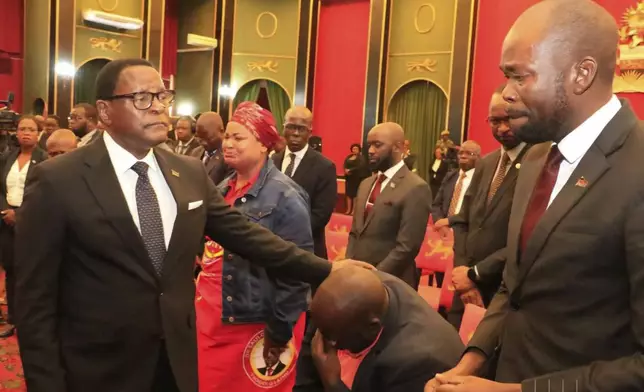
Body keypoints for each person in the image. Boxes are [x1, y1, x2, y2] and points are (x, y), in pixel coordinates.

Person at [13, 58, 370, 392]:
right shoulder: (58, 180)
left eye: (162, 95)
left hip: (176, 362)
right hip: (96, 369)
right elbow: (34, 301)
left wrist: (326, 269)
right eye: (141, 97)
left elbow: (247, 236)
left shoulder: (187, 171)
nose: (157, 106)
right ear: (104, 111)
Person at [428, 1, 644, 391]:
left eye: (519, 77)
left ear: (581, 74)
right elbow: (515, 287)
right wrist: (471, 362)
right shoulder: (536, 160)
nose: (506, 94)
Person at [196, 102, 310, 392]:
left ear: (263, 145)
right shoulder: (221, 189)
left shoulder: (286, 196)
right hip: (211, 320)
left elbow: (297, 272)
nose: (228, 144)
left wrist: (279, 329)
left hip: (255, 324)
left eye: (238, 138)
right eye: (227, 137)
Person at [447, 87, 530, 329]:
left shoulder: (540, 163)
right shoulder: (486, 163)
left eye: (509, 119)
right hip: (464, 290)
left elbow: (528, 237)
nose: (502, 128)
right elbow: (462, 220)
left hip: (504, 290)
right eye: (495, 121)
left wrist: (475, 274)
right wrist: (462, 273)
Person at [305, 267, 463, 392]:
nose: (329, 343)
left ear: (372, 326)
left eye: (335, 337)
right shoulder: (368, 285)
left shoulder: (416, 363)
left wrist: (333, 384)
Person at [0, 115, 47, 338]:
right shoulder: (7, 157)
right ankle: (13, 319)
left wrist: (20, 214)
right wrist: (6, 211)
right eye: (22, 129)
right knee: (11, 271)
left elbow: (43, 192)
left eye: (31, 129)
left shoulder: (45, 159)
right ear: (16, 133)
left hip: (33, 221)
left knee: (31, 272)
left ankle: (32, 320)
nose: (25, 133)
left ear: (38, 134)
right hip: (6, 221)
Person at [272, 106, 337, 259]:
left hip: (307, 250)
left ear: (310, 132)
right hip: (271, 248)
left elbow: (321, 215)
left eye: (301, 129)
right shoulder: (272, 160)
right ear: (283, 128)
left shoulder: (324, 166)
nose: (295, 133)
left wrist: (285, 234)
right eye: (291, 127)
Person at [431, 141, 480, 239]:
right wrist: (440, 223)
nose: (463, 156)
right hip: (442, 233)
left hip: (467, 234)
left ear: (478, 158)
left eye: (469, 153)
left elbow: (475, 211)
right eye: (461, 153)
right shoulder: (450, 176)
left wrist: (449, 221)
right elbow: (436, 205)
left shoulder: (482, 180)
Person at [195, 111, 231, 185]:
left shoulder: (228, 156)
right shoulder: (195, 152)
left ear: (221, 131)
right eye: (200, 138)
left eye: (209, 138)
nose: (203, 143)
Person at [343, 143, 369, 215]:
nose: (354, 150)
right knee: (348, 194)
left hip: (356, 178)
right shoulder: (349, 157)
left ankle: (353, 211)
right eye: (353, 149)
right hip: (349, 178)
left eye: (356, 149)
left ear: (359, 150)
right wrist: (345, 170)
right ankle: (348, 210)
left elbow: (361, 166)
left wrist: (351, 170)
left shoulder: (361, 158)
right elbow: (345, 164)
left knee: (354, 195)